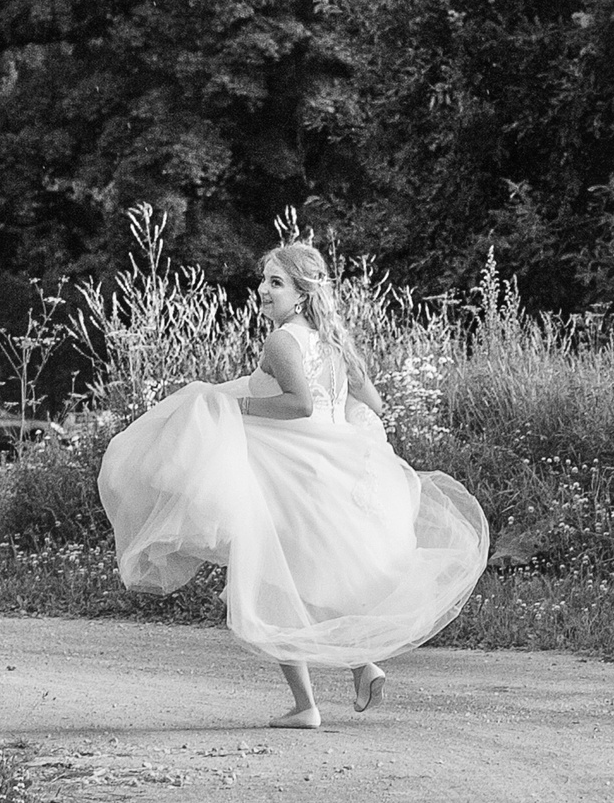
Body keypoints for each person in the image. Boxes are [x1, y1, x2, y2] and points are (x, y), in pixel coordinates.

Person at [96, 242, 490, 729]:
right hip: (331, 470)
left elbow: (298, 405)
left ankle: (306, 706)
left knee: (270, 582)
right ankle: (362, 666)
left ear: (302, 294)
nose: (263, 290)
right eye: (263, 280)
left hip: (290, 473)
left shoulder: (282, 341)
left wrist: (233, 407)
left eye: (276, 282)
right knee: (309, 581)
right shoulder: (334, 341)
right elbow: (373, 404)